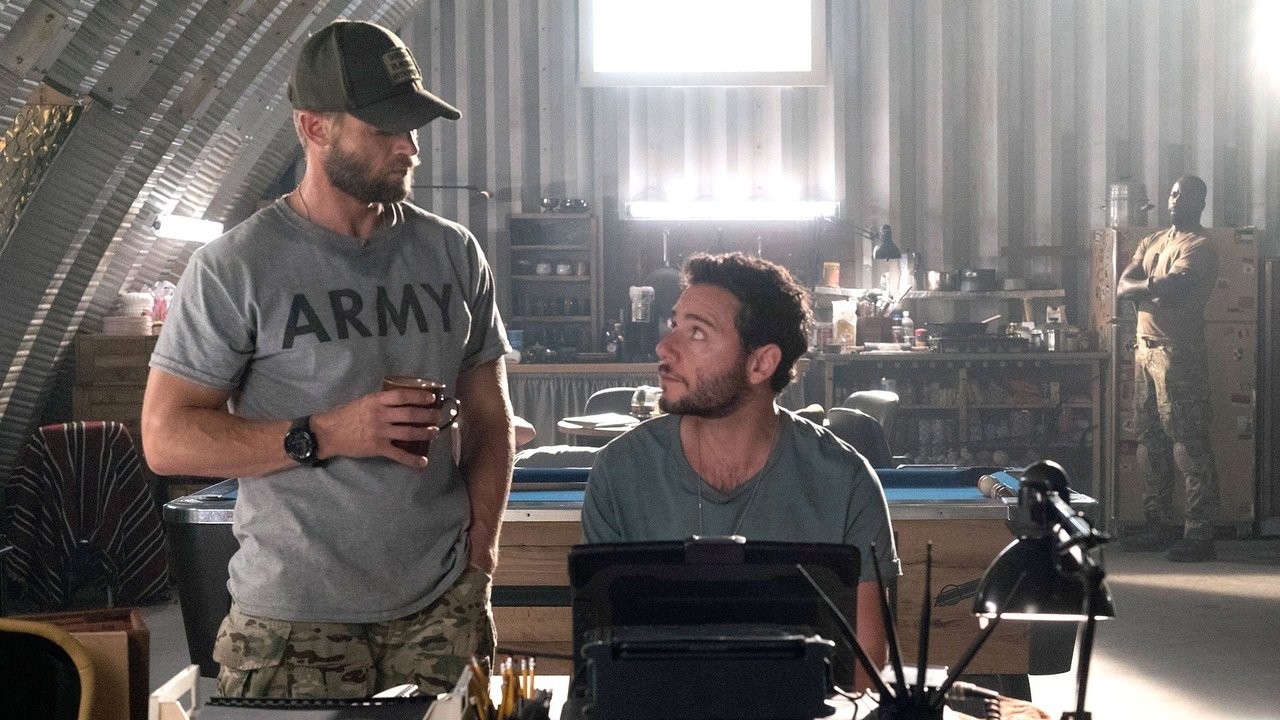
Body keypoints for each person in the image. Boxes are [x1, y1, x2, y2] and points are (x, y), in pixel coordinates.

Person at [140, 20, 515, 697]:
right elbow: (167, 440)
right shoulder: (236, 267)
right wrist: (329, 432)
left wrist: (480, 558)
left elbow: (492, 419)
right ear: (314, 128)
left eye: (412, 128)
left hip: (442, 606)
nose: (408, 148)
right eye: (384, 130)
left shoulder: (454, 254)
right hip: (292, 619)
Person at [581, 252, 900, 690]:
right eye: (674, 324)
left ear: (760, 364)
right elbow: (602, 662)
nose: (664, 347)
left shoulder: (846, 482)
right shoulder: (620, 471)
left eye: (696, 332)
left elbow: (865, 672)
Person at [1116, 174, 1220, 562]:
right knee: (1150, 443)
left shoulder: (1200, 246)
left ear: (1200, 204)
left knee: (1188, 443)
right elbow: (1122, 286)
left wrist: (1146, 287)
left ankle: (1200, 534)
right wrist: (1153, 287)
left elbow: (1176, 289)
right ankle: (1157, 524)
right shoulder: (1154, 241)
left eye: (1184, 196)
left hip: (1180, 354)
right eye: (1173, 193)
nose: (1174, 200)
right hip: (1144, 350)